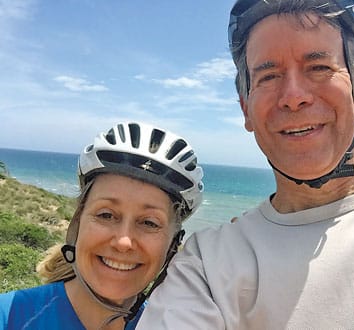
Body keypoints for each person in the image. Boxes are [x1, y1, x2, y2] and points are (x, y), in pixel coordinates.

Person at [136, 1, 354, 329]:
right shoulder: (207, 266)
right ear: (245, 109)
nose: (293, 96)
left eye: (319, 67)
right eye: (269, 76)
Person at [0, 121, 204, 329]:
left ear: (173, 244)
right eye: (106, 215)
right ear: (77, 222)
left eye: (149, 222)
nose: (123, 241)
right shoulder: (10, 316)